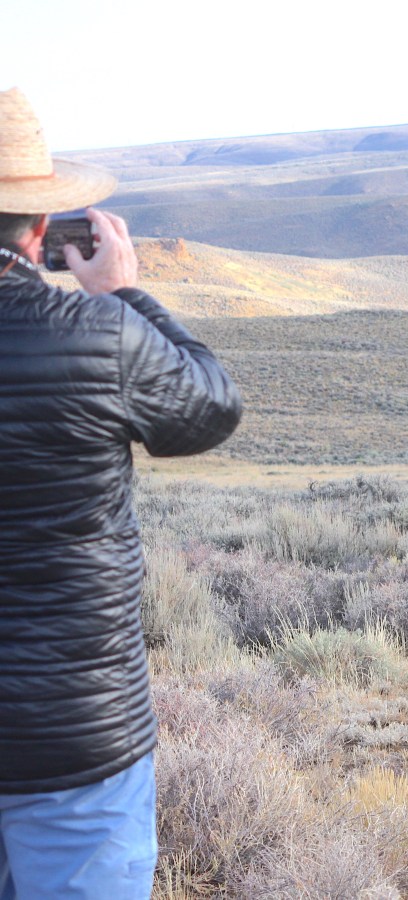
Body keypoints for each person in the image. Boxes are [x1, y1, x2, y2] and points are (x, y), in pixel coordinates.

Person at [0, 88, 242, 898]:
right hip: (77, 732)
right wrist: (123, 295)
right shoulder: (101, 336)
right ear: (43, 226)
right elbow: (210, 409)